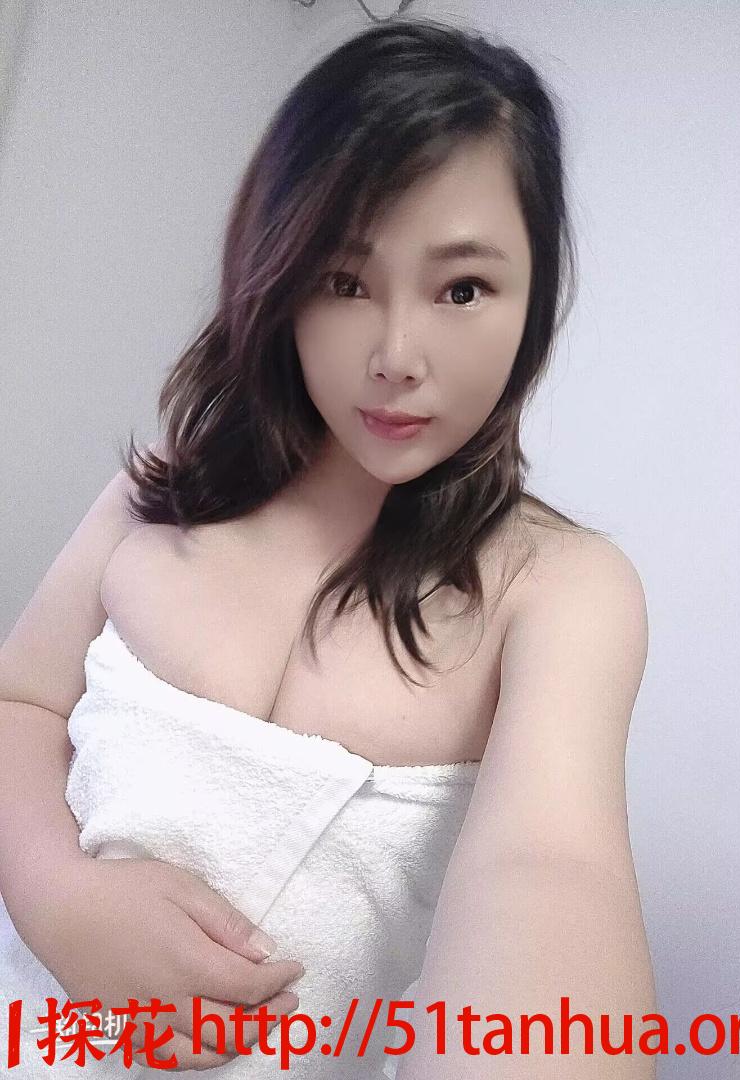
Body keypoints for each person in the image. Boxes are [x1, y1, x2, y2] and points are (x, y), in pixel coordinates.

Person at [0, 17, 656, 1078]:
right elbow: (21, 702)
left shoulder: (561, 591)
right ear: (279, 272)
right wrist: (56, 892)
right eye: (346, 281)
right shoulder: (161, 488)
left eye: (461, 289)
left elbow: (554, 871)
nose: (397, 356)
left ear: (533, 300)